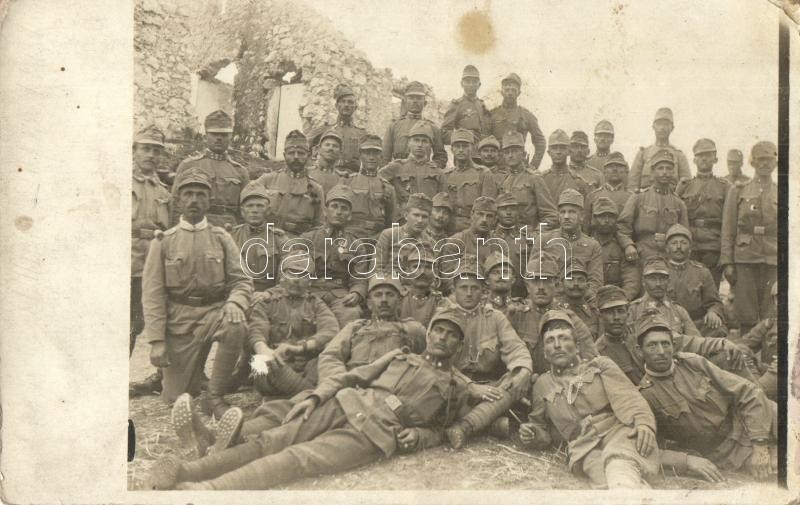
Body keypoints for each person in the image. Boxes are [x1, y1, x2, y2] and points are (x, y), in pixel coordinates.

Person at [147, 309, 473, 490]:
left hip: (372, 434)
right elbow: (351, 377)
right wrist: (314, 398)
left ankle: (208, 491)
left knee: (297, 459)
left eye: (451, 334)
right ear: (429, 334)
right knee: (270, 439)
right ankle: (187, 470)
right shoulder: (399, 356)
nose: (442, 337)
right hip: (343, 402)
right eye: (438, 330)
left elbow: (446, 429)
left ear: (459, 345)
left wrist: (419, 436)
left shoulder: (457, 387)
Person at [240, 275, 427, 440]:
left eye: (390, 294)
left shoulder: (413, 330)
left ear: (400, 301)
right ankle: (234, 434)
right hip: (347, 387)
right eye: (378, 295)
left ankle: (252, 441)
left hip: (381, 395)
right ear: (369, 302)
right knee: (293, 404)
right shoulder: (355, 327)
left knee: (308, 422)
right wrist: (338, 384)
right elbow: (331, 356)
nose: (384, 300)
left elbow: (426, 365)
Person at [141, 171, 252, 418]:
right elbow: (153, 294)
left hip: (213, 313)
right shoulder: (163, 242)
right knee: (177, 400)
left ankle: (215, 396)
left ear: (209, 201)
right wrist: (157, 341)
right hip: (179, 321)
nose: (194, 200)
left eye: (201, 195)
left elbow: (242, 280)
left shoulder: (221, 237)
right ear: (178, 200)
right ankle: (193, 378)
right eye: (188, 194)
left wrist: (234, 302)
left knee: (236, 324)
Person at [519, 310, 659, 489]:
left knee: (619, 463)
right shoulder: (542, 384)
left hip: (617, 432)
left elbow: (629, 398)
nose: (557, 345)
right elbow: (542, 429)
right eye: (550, 340)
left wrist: (643, 422)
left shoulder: (600, 366)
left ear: (577, 346)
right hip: (584, 448)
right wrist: (532, 433)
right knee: (601, 477)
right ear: (545, 353)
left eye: (563, 338)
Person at [636, 313, 778, 481]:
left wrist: (760, 444)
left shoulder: (693, 363)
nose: (661, 351)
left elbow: (747, 391)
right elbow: (649, 449)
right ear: (640, 351)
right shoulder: (645, 395)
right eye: (652, 345)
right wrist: (688, 461)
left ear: (673, 345)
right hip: (727, 452)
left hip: (752, 420)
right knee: (780, 467)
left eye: (665, 344)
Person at [437, 262, 533, 448]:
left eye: (475, 288)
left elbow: (516, 348)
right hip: (454, 384)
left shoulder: (495, 317)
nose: (469, 293)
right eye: (463, 288)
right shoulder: (442, 317)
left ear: (483, 291)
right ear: (454, 290)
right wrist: (470, 386)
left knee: (514, 380)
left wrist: (523, 370)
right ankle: (486, 423)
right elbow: (439, 362)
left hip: (489, 386)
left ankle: (465, 426)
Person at [629, 257, 752, 380]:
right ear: (643, 282)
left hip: (683, 365)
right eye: (652, 279)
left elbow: (696, 339)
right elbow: (677, 342)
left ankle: (757, 392)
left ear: (668, 281)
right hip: (653, 371)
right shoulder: (634, 310)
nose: (658, 284)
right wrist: (718, 343)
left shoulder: (678, 310)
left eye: (662, 278)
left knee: (730, 356)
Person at [246, 256, 339, 399]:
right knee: (260, 364)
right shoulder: (267, 302)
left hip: (305, 364)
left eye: (302, 275)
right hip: (273, 361)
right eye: (291, 273)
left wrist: (300, 348)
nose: (296, 279)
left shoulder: (315, 303)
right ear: (282, 278)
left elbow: (331, 329)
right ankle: (309, 395)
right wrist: (264, 350)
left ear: (309, 281)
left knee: (322, 362)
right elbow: (257, 329)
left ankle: (292, 396)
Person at [129, 125, 171, 396]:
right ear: (134, 151)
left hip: (153, 266)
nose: (151, 155)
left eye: (156, 151)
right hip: (127, 262)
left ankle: (164, 378)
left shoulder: (165, 191)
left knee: (148, 320)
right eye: (146, 149)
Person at [720, 141, 778, 334]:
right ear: (752, 162)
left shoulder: (782, 191)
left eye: (769, 159)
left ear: (775, 162)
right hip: (745, 258)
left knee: (772, 312)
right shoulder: (738, 190)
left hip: (773, 258)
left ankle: (770, 360)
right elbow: (728, 229)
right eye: (760, 159)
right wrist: (727, 262)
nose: (764, 164)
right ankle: (748, 358)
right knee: (746, 314)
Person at [300, 184, 368, 326]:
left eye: (344, 209)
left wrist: (356, 293)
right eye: (334, 206)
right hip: (310, 292)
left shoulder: (355, 244)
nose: (339, 212)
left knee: (351, 314)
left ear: (349, 216)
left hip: (340, 295)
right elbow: (294, 271)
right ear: (325, 211)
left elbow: (359, 278)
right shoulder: (307, 238)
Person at [171, 110, 250, 227]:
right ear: (206, 135)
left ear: (230, 136)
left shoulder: (240, 171)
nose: (219, 138)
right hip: (196, 226)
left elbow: (246, 210)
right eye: (214, 134)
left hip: (229, 228)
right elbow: (175, 205)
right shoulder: (188, 165)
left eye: (224, 135)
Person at [618, 148, 689, 263]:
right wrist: (628, 246)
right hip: (642, 254)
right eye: (660, 168)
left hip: (670, 256)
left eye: (669, 168)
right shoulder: (638, 197)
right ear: (652, 172)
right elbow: (622, 227)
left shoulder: (679, 203)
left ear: (673, 173)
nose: (665, 172)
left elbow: (685, 234)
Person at [675, 138, 731, 286]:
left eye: (708, 155)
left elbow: (729, 221)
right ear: (694, 160)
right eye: (700, 155)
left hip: (713, 245)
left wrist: (725, 255)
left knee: (710, 289)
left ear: (715, 159)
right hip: (690, 245)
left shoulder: (725, 186)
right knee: (689, 288)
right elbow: (675, 214)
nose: (704, 158)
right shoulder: (685, 185)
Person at [483, 130, 559, 229]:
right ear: (503, 156)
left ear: (523, 154)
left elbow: (552, 216)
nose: (510, 155)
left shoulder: (534, 179)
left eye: (514, 151)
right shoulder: (501, 181)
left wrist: (536, 232)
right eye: (507, 152)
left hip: (527, 238)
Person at [255, 130, 324, 236]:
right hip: (269, 240)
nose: (296, 157)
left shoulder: (316, 189)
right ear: (284, 155)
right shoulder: (267, 180)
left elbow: (319, 227)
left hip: (299, 244)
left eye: (301, 153)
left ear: (308, 155)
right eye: (291, 153)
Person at [539, 188, 604, 301]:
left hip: (580, 300)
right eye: (563, 212)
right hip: (550, 301)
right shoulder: (544, 240)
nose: (566, 216)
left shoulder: (592, 245)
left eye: (572, 212)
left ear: (582, 216)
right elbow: (532, 275)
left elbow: (595, 282)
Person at [663, 224, 727, 338]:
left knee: (718, 328)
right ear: (667, 248)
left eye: (683, 243)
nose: (678, 247)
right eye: (674, 243)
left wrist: (713, 312)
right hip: (667, 323)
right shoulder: (659, 272)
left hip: (696, 323)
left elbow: (714, 302)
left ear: (690, 248)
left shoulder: (702, 272)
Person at [227, 182, 289, 293]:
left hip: (268, 296)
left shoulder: (279, 238)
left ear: (268, 210)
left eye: (260, 206)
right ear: (242, 211)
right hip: (237, 293)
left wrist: (269, 294)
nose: (254, 210)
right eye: (250, 206)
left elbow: (287, 275)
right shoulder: (231, 236)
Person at [342, 134, 398, 238]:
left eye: (375, 153)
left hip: (378, 237)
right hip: (351, 235)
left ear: (381, 156)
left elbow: (393, 221)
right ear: (360, 155)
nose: (371, 157)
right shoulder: (347, 182)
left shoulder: (388, 187)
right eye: (367, 153)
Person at [488, 73, 546, 170]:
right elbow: (484, 140)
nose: (510, 93)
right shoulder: (492, 115)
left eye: (513, 90)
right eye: (507, 90)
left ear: (519, 92)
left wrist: (533, 166)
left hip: (519, 167)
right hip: (496, 168)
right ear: (501, 92)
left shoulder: (527, 115)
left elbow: (540, 142)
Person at [383, 80, 447, 168]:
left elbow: (441, 157)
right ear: (405, 101)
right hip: (398, 175)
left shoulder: (433, 128)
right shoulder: (394, 126)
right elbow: (384, 158)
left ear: (425, 103)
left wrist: (429, 169)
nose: (415, 101)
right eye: (411, 97)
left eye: (419, 98)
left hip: (422, 175)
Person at [378, 121, 442, 209]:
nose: (420, 145)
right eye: (416, 140)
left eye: (424, 141)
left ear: (430, 145)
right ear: (408, 143)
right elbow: (375, 184)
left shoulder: (438, 172)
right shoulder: (395, 167)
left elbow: (442, 202)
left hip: (426, 218)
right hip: (400, 219)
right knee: (394, 223)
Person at [628, 107, 692, 192]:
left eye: (666, 124)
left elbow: (687, 184)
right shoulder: (643, 154)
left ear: (672, 128)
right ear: (653, 127)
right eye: (659, 124)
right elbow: (632, 185)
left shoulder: (679, 156)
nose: (662, 128)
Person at [308, 84, 367, 173]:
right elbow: (303, 147)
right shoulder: (324, 130)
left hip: (353, 178)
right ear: (336, 106)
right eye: (343, 101)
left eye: (350, 102)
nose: (346, 105)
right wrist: (313, 169)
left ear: (355, 107)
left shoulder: (362, 134)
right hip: (329, 176)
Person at [589, 197, 640, 301]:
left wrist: (621, 300)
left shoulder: (623, 248)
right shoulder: (586, 244)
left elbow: (631, 280)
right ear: (594, 219)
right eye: (602, 216)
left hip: (616, 300)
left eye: (611, 216)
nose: (606, 220)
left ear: (616, 219)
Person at [441, 128, 490, 231]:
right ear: (452, 149)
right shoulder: (445, 175)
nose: (461, 150)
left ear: (472, 148)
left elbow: (487, 207)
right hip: (448, 226)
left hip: (473, 226)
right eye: (457, 146)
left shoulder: (483, 173)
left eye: (465, 146)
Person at [375, 193, 435, 275]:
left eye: (424, 217)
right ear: (406, 216)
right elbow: (377, 269)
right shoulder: (389, 235)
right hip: (392, 283)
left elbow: (434, 274)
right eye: (416, 215)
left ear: (429, 219)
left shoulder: (430, 243)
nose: (420, 220)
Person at [595, 285, 644, 384]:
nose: (616, 317)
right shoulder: (598, 352)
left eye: (620, 311)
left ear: (628, 313)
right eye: (609, 312)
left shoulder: (642, 334)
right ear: (600, 315)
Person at [741, 281, 779, 399]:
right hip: (766, 373)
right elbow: (742, 345)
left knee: (750, 395)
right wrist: (755, 370)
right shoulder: (770, 323)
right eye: (778, 298)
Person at [583, 151, 634, 230]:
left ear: (625, 171)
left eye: (619, 166)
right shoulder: (592, 196)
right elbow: (586, 227)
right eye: (610, 166)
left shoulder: (633, 197)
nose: (614, 169)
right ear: (604, 171)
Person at [442, 65, 491, 144]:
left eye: (474, 81)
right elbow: (444, 134)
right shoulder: (457, 105)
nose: (471, 84)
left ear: (479, 85)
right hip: (465, 152)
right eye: (467, 81)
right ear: (462, 84)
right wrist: (463, 136)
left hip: (483, 153)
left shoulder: (482, 105)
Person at [398, 247, 445, 327]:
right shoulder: (398, 301)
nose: (422, 272)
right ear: (407, 270)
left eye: (428, 267)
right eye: (416, 266)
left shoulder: (441, 303)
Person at [540, 129, 591, 201]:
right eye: (554, 148)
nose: (558, 152)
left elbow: (584, 210)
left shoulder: (578, 182)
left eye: (562, 148)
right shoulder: (540, 180)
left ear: (569, 151)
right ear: (549, 152)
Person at [557, 259, 600, 339]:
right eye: (570, 279)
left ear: (587, 286)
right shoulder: (555, 310)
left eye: (581, 280)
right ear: (561, 284)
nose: (576, 284)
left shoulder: (595, 313)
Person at [307, 129, 347, 195]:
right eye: (327, 145)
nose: (331, 148)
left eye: (335, 146)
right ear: (319, 149)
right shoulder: (307, 174)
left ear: (340, 152)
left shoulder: (343, 178)